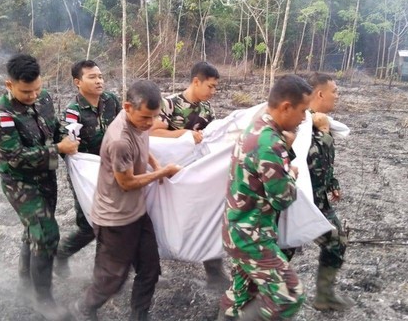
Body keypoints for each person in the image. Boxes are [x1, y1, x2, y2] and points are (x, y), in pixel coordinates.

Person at [74, 80, 182, 321]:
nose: (149, 124)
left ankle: (139, 316)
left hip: (136, 212)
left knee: (150, 269)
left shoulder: (139, 124)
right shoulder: (119, 139)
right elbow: (127, 183)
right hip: (114, 219)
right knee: (112, 279)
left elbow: (142, 144)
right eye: (145, 117)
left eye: (154, 117)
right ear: (127, 107)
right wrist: (162, 174)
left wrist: (154, 163)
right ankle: (84, 307)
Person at [0, 54, 79, 321]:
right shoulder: (0, 115)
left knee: (35, 231)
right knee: (47, 232)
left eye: (37, 89)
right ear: (9, 84)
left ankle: (25, 283)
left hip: (45, 177)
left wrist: (66, 137)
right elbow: (15, 157)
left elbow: (54, 127)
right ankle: (43, 299)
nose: (33, 95)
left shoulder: (44, 97)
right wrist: (57, 149)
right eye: (26, 91)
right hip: (19, 181)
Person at [218, 75, 312, 321]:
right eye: (303, 111)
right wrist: (290, 174)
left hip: (238, 230)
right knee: (288, 295)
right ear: (286, 107)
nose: (304, 118)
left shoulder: (256, 125)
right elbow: (282, 198)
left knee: (240, 295)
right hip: (252, 236)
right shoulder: (269, 142)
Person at [149, 61, 228, 290]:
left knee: (206, 216)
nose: (213, 92)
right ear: (196, 81)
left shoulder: (207, 109)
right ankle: (152, 271)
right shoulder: (169, 104)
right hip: (167, 175)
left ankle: (214, 272)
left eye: (215, 88)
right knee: (159, 219)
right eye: (211, 86)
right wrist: (184, 135)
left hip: (195, 174)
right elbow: (153, 132)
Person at [55, 60, 121, 277]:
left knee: (110, 222)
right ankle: (62, 254)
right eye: (92, 77)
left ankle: (102, 274)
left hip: (112, 171)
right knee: (90, 226)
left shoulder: (111, 101)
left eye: (100, 76)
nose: (99, 81)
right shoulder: (73, 111)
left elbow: (124, 126)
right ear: (77, 82)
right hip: (86, 175)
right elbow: (67, 143)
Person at [306, 72, 355, 311]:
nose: (337, 95)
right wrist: (324, 133)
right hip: (299, 202)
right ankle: (239, 305)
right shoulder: (304, 122)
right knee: (280, 253)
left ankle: (324, 296)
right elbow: (310, 160)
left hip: (318, 200)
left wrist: (332, 183)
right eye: (334, 91)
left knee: (337, 240)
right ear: (320, 93)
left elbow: (324, 164)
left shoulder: (320, 121)